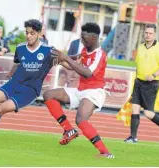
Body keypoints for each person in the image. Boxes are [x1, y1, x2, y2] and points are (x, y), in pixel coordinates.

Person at [43, 23, 114, 158]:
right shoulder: (84, 51)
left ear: (93, 37)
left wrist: (66, 58)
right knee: (48, 95)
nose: (82, 40)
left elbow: (87, 73)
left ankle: (105, 152)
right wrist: (57, 59)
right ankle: (69, 130)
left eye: (84, 37)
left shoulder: (100, 55)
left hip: (94, 92)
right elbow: (74, 62)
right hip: (80, 90)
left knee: (81, 119)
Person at [124, 24, 159, 143]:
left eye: (150, 33)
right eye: (146, 33)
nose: (148, 35)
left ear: (154, 34)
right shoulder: (140, 47)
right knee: (134, 108)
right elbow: (138, 65)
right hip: (138, 82)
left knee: (148, 113)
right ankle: (133, 137)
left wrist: (153, 75)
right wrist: (136, 78)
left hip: (151, 84)